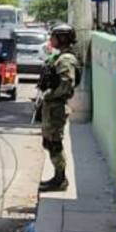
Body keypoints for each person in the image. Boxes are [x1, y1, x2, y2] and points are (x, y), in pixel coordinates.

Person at [38, 24, 80, 192]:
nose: (51, 39)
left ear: (62, 38)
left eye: (54, 36)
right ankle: (58, 176)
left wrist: (49, 95)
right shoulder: (59, 57)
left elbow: (66, 84)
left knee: (54, 143)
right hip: (51, 106)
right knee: (49, 142)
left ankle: (60, 179)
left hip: (56, 106)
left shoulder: (66, 60)